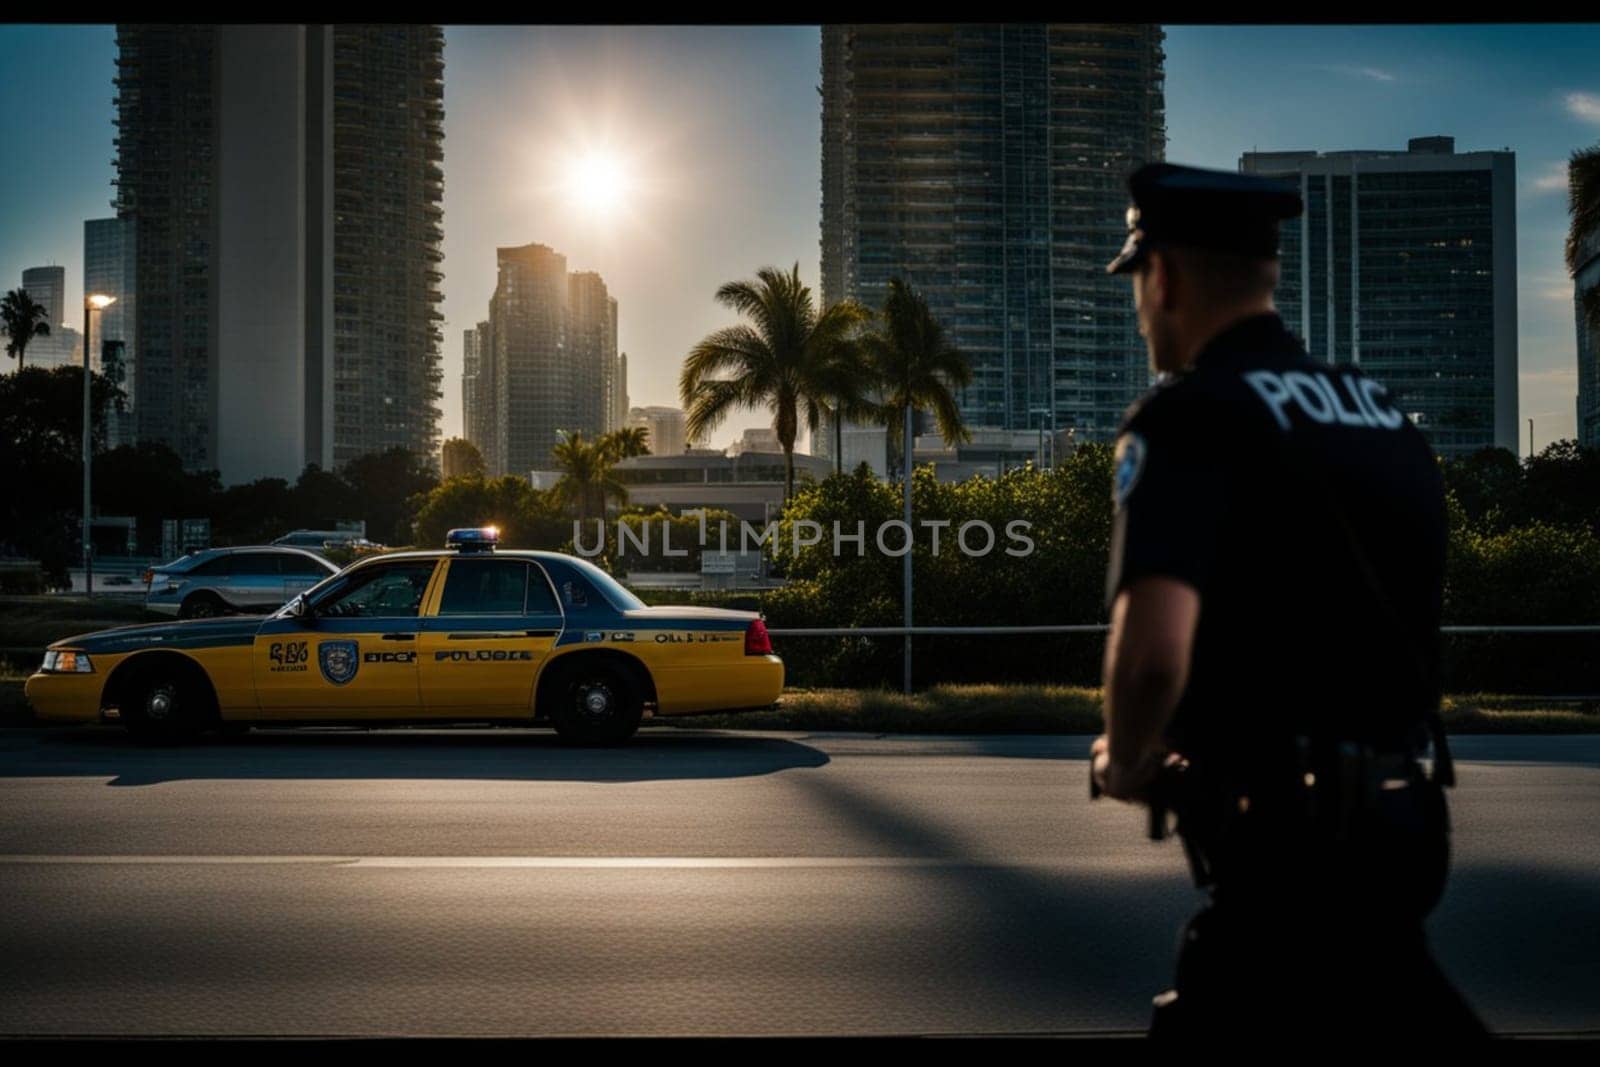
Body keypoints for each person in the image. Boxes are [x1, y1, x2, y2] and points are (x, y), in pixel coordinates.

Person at [1089, 162, 1486, 1040]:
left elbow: (1153, 653)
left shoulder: (1186, 417)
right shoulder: (1379, 410)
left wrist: (1124, 759)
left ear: (1164, 276)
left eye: (1139, 285)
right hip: (1404, 828)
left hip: (1280, 847)